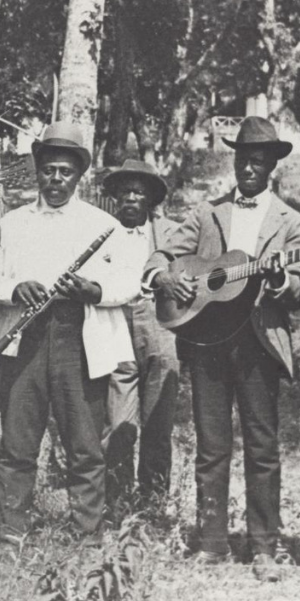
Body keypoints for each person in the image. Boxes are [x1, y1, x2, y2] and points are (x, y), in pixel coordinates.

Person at [143, 117, 300, 582]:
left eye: (258, 161)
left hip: (259, 343)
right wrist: (165, 277)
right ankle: (211, 543)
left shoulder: (291, 221)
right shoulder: (207, 212)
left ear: (272, 166)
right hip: (207, 343)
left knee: (262, 448)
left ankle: (264, 548)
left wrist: (279, 278)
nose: (249, 168)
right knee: (211, 447)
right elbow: (162, 254)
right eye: (243, 159)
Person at [0, 122, 139, 551]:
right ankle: (12, 531)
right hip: (25, 337)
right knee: (18, 440)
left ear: (79, 174)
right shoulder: (13, 222)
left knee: (84, 442)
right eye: (48, 170)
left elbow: (129, 281)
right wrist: (14, 289)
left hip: (79, 339)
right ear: (37, 171)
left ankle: (87, 535)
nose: (56, 179)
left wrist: (94, 291)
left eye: (65, 171)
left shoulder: (105, 225)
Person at [100, 159, 181, 507]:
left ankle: (153, 505)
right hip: (116, 324)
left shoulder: (172, 233)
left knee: (158, 424)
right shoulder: (102, 232)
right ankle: (116, 504)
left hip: (160, 326)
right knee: (118, 424)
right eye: (125, 192)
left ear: (150, 199)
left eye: (139, 192)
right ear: (116, 197)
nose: (131, 198)